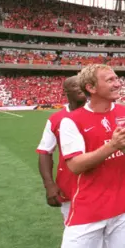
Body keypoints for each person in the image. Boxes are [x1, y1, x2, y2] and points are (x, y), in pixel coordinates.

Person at [57, 64, 125, 248]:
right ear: (91, 87)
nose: (117, 83)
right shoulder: (71, 120)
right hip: (89, 206)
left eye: (117, 78)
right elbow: (75, 165)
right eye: (110, 80)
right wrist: (113, 146)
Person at [36, 76, 87, 221]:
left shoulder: (98, 112)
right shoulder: (56, 119)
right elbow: (45, 152)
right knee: (75, 231)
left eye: (82, 84)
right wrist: (49, 185)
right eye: (75, 85)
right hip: (70, 186)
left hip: (102, 184)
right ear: (65, 91)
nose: (80, 87)